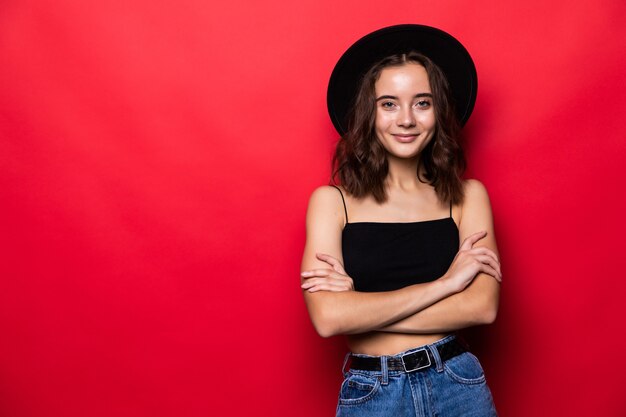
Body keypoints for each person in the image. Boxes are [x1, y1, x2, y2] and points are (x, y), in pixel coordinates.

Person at [300, 25, 501, 416]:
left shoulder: (467, 196)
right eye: (389, 104)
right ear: (369, 113)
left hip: (458, 384)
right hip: (373, 393)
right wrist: (446, 285)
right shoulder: (332, 202)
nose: (406, 119)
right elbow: (328, 318)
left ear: (438, 111)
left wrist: (360, 309)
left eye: (422, 103)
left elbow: (481, 307)